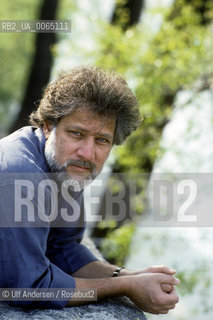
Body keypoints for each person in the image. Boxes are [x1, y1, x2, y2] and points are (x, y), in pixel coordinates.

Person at [0, 65, 179, 314]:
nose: (87, 153)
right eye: (77, 133)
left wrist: (131, 275)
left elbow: (63, 250)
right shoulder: (21, 177)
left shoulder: (66, 167)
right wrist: (126, 286)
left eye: (102, 140)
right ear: (49, 126)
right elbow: (31, 287)